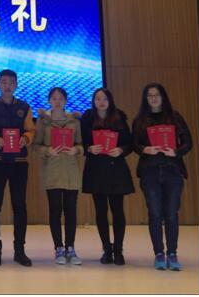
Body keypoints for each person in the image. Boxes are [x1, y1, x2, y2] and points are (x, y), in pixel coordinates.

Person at [132, 83, 192, 271]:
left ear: (163, 96)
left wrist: (176, 151)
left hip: (172, 170)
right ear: (145, 99)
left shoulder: (174, 117)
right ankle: (159, 253)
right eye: (149, 95)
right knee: (155, 213)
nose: (153, 98)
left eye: (156, 95)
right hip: (149, 172)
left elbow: (188, 142)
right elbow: (134, 144)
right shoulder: (140, 119)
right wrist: (145, 149)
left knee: (171, 214)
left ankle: (172, 253)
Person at [0, 69, 36, 267]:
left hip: (19, 163)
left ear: (16, 85)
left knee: (20, 206)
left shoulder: (24, 107)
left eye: (11, 82)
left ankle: (20, 250)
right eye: (4, 82)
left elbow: (31, 130)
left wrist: (25, 138)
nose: (7, 86)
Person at [80, 88, 134, 265]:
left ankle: (118, 250)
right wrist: (89, 148)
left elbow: (129, 143)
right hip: (96, 170)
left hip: (115, 169)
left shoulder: (119, 117)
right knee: (101, 211)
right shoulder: (87, 118)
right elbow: (81, 142)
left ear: (110, 100)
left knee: (118, 211)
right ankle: (106, 249)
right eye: (97, 99)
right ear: (93, 101)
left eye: (104, 99)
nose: (101, 102)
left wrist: (121, 150)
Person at [33, 88, 83, 265]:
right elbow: (36, 146)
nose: (57, 101)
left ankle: (71, 247)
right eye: (54, 98)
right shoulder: (43, 121)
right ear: (49, 101)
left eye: (60, 98)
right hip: (52, 170)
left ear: (65, 101)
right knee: (55, 211)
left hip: (70, 171)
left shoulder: (74, 121)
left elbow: (81, 144)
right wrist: (48, 151)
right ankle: (59, 248)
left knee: (71, 211)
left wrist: (76, 150)